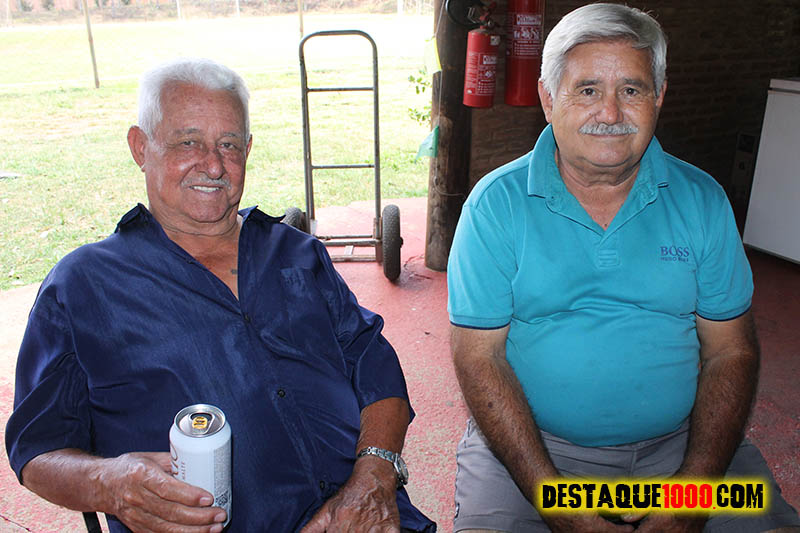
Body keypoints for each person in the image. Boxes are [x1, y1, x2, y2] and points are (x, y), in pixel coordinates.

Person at [6, 57, 435, 533]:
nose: (213, 165)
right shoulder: (83, 286)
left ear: (247, 149)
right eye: (188, 142)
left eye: (228, 145)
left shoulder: (295, 251)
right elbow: (36, 449)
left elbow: (374, 364)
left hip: (369, 516)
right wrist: (109, 483)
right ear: (140, 147)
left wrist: (374, 478)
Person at [446, 4, 800, 533]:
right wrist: (556, 503)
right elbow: (480, 360)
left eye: (632, 90)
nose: (610, 113)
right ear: (548, 98)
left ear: (660, 97)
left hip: (683, 449)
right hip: (530, 454)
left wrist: (693, 493)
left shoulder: (702, 200)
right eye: (587, 90)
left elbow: (731, 351)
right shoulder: (495, 206)